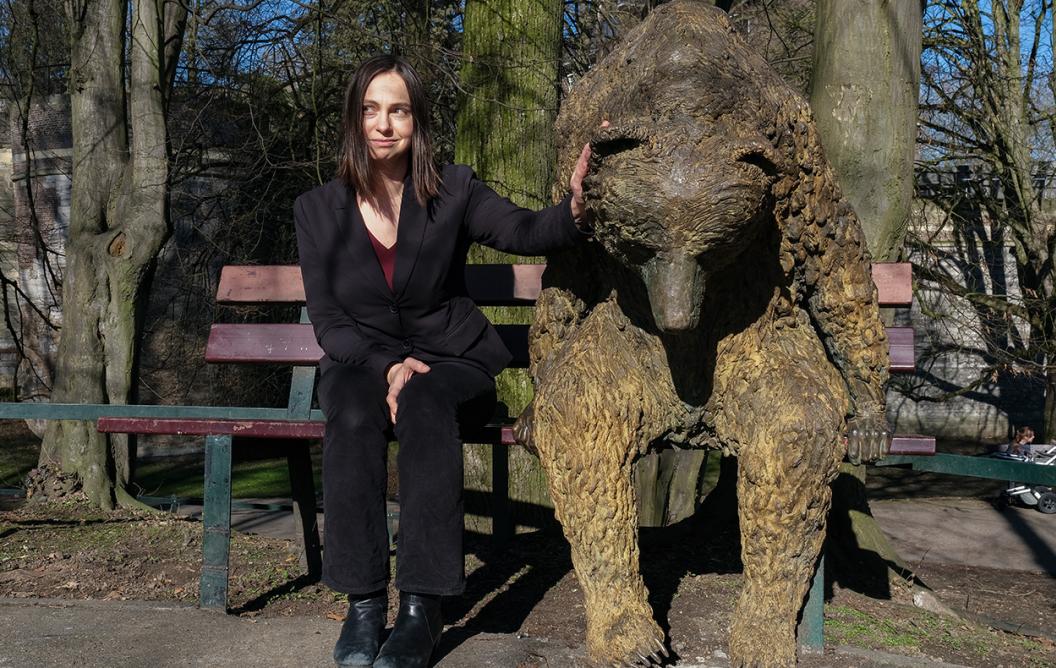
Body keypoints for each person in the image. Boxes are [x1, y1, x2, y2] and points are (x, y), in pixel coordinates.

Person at [293, 54, 594, 668]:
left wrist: (573, 212)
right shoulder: (317, 210)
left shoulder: (452, 189)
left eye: (397, 110)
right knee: (349, 409)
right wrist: (386, 368)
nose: (383, 124)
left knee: (427, 400)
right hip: (363, 362)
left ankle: (421, 610)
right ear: (354, 120)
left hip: (452, 361)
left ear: (416, 120)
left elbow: (522, 231)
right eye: (370, 110)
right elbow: (328, 321)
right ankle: (365, 606)